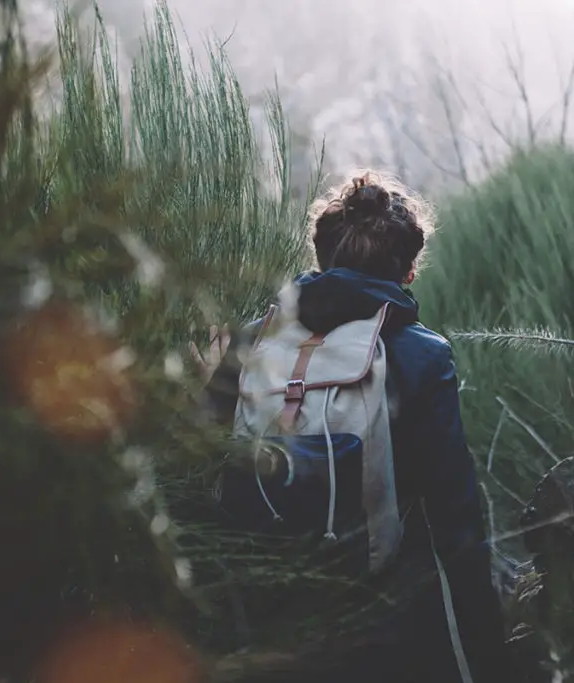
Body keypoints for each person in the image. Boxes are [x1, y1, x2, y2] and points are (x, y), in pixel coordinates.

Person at [191, 171, 511, 683]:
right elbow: (457, 521)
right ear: (408, 271)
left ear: (320, 259)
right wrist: (491, 657)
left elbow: (201, 474)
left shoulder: (252, 342)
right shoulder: (422, 355)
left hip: (264, 616)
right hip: (384, 620)